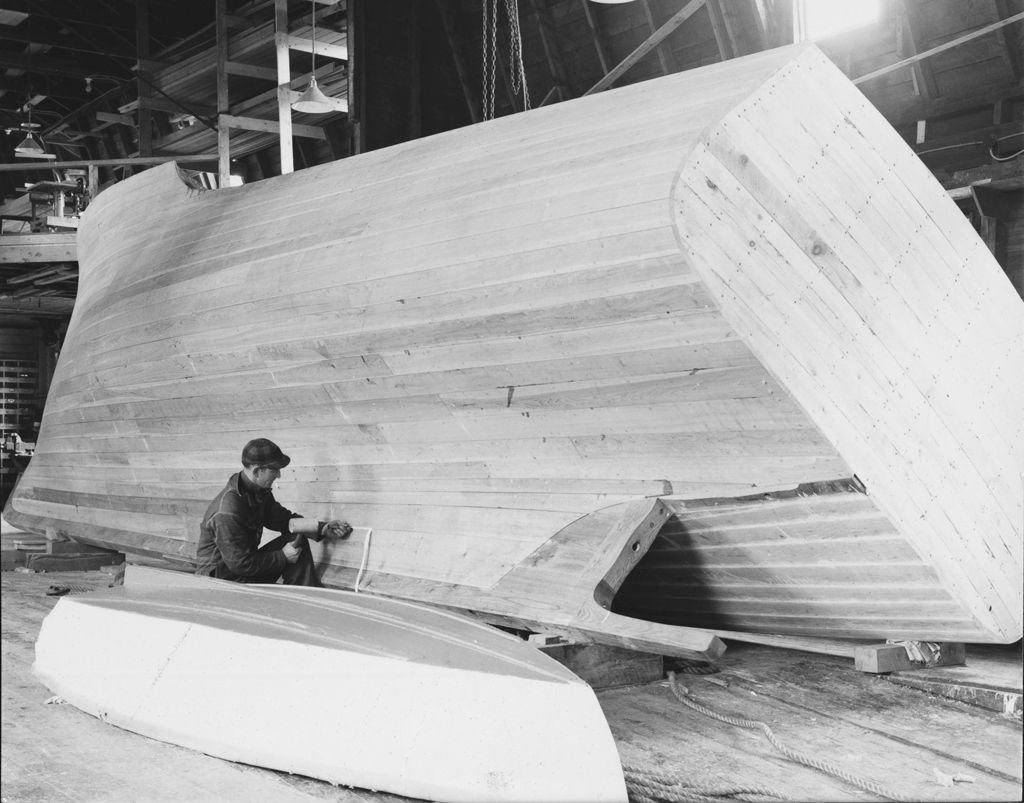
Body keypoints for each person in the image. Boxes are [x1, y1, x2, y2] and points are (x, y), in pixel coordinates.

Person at [195, 438, 352, 586]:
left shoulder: (257, 491)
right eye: (274, 470)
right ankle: (302, 598)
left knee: (297, 539)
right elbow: (240, 564)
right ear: (257, 471)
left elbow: (283, 520)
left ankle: (303, 595)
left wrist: (322, 528)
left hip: (240, 570)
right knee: (292, 547)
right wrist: (282, 557)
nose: (279, 475)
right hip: (220, 583)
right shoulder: (227, 511)